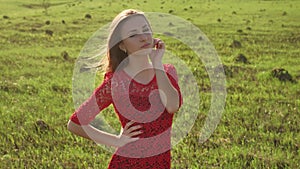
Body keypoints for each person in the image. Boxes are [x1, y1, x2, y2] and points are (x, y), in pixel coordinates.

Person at [67, 9, 182, 169]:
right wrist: (116, 141)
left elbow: (172, 106)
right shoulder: (116, 83)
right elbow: (75, 124)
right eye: (133, 34)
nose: (143, 37)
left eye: (146, 30)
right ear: (121, 45)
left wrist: (157, 63)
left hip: (161, 163)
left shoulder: (166, 71)